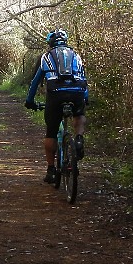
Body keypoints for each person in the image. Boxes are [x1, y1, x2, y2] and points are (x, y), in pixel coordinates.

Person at [24, 29, 88, 183]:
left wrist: (29, 101)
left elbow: (35, 83)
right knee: (79, 115)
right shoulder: (76, 56)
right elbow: (82, 78)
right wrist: (85, 99)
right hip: (77, 91)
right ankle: (78, 139)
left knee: (51, 133)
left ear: (50, 43)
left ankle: (51, 170)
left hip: (56, 94)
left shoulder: (46, 57)